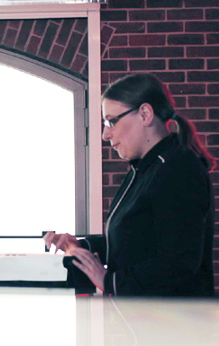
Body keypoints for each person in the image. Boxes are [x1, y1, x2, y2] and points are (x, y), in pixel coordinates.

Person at [45, 73, 215, 297]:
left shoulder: (178, 169)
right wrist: (81, 246)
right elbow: (134, 243)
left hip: (172, 325)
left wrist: (109, 281)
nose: (106, 134)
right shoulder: (145, 168)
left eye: (111, 121)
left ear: (145, 114)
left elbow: (178, 264)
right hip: (147, 320)